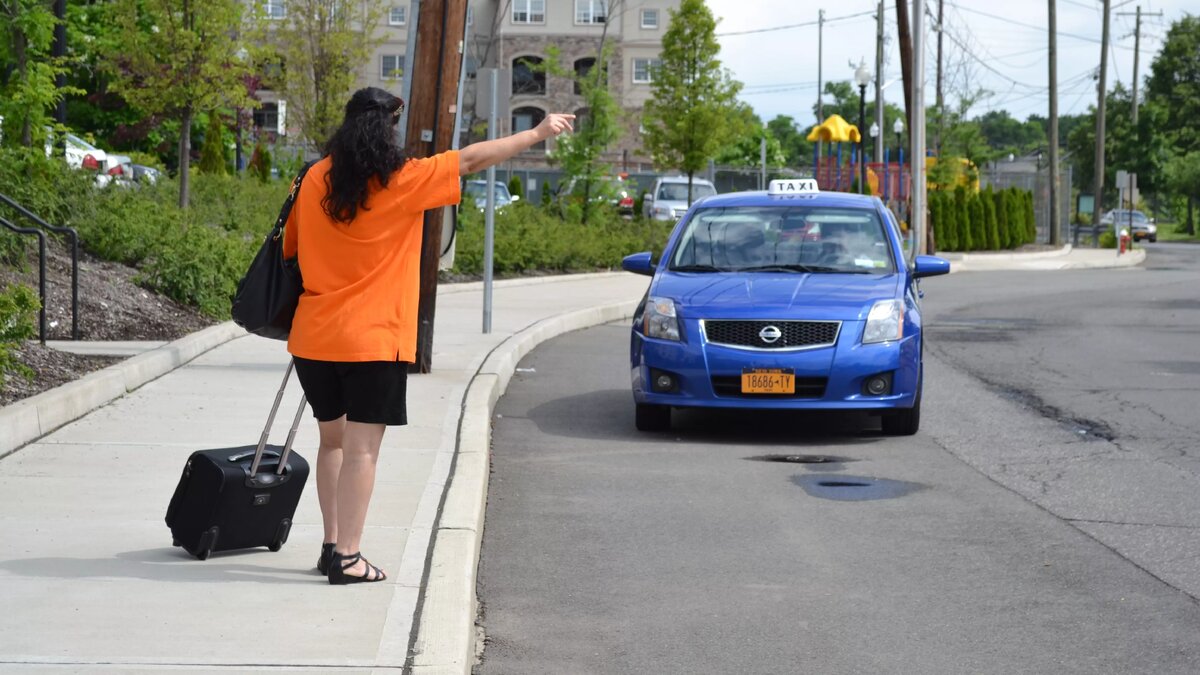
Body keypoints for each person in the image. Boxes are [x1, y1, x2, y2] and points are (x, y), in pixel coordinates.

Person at [282, 87, 573, 585]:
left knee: (332, 442)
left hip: (314, 337)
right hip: (374, 339)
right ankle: (350, 558)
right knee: (363, 450)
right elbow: (474, 158)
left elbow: (291, 249)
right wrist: (537, 132)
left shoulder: (311, 179)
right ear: (387, 132)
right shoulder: (403, 179)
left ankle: (331, 546)